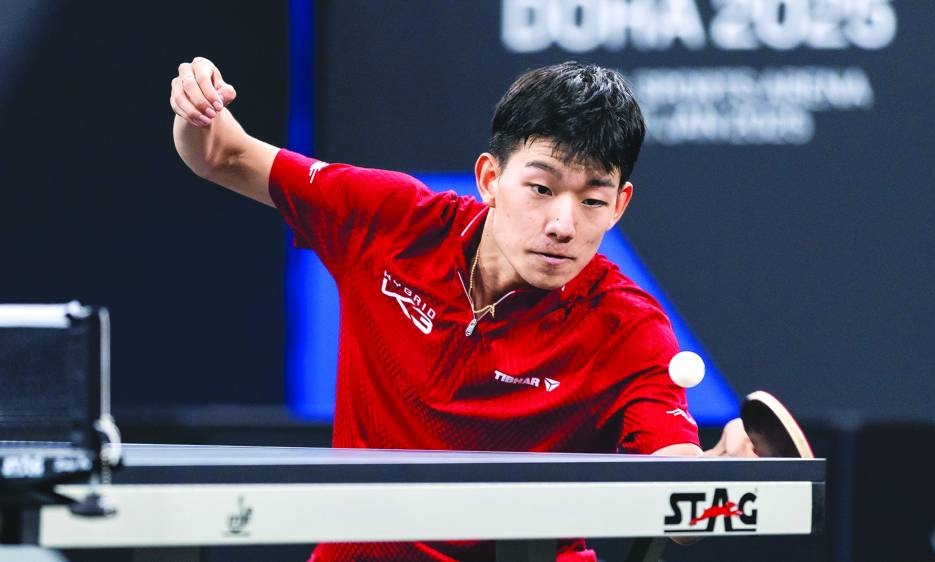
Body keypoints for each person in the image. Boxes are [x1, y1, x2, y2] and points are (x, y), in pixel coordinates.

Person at [170, 56, 755, 562]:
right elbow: (222, 153)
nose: (562, 225)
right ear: (490, 178)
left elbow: (682, 505)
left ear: (620, 205)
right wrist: (196, 110)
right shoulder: (392, 221)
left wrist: (720, 482)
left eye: (594, 199)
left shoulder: (628, 327)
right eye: (541, 188)